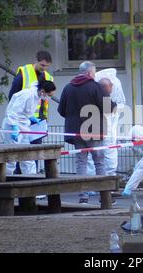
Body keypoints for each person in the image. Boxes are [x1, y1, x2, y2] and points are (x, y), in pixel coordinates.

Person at [58, 61, 116, 203]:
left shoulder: (68, 87)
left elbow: (61, 110)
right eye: (94, 72)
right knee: (99, 162)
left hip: (76, 132)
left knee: (81, 163)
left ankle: (83, 196)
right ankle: (104, 196)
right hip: (94, 130)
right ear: (90, 72)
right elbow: (108, 107)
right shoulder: (95, 87)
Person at [9, 50, 54, 173]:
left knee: (33, 155)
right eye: (42, 65)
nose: (44, 68)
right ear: (36, 61)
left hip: (38, 122)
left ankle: (32, 182)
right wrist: (15, 122)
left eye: (47, 66)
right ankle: (17, 181)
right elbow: (12, 97)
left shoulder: (48, 77)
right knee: (19, 154)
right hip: (22, 121)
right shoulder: (24, 73)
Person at [2, 80, 56, 175]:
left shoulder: (37, 96)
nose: (49, 98)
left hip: (24, 126)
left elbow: (26, 111)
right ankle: (5, 181)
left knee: (27, 156)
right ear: (43, 91)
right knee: (11, 158)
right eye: (49, 95)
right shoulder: (27, 95)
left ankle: (31, 180)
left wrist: (31, 117)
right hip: (12, 126)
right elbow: (13, 112)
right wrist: (14, 126)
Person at [87, 68, 126, 176]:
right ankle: (92, 178)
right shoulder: (96, 88)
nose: (110, 90)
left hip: (109, 122)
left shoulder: (115, 85)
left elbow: (119, 104)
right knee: (94, 150)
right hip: (97, 124)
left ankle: (110, 176)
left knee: (109, 149)